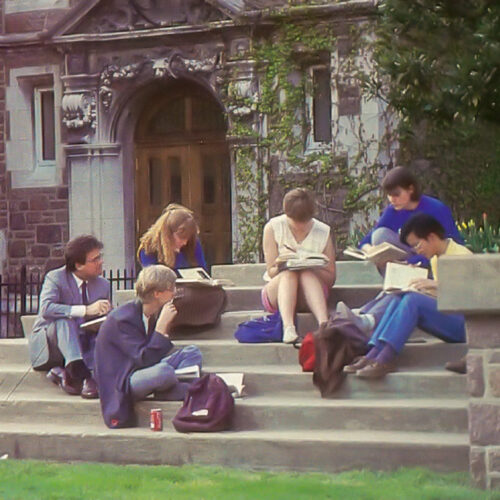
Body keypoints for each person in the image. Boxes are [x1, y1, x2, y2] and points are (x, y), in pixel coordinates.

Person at [344, 213, 472, 379]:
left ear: (431, 237)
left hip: (466, 325)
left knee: (413, 300)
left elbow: (472, 295)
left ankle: (385, 358)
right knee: (400, 296)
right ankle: (373, 354)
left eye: (418, 245)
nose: (417, 251)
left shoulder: (461, 256)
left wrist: (436, 285)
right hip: (448, 314)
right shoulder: (436, 258)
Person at [95, 265, 203, 429]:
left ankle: (168, 390)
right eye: (171, 288)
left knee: (192, 353)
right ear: (157, 293)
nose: (174, 292)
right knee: (164, 371)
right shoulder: (123, 319)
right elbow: (145, 359)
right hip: (125, 380)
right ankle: (180, 388)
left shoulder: (149, 313)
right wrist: (161, 328)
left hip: (145, 369)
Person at [29, 235, 111, 399]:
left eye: (100, 257)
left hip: (83, 342)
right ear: (78, 265)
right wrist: (85, 310)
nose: (100, 262)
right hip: (51, 344)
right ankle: (79, 374)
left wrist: (105, 316)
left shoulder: (103, 284)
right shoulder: (56, 278)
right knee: (64, 320)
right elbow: (46, 309)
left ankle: (70, 373)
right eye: (94, 259)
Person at [262, 188, 336, 344]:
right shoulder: (273, 227)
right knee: (290, 274)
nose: (300, 227)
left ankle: (324, 324)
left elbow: (331, 277)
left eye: (305, 223)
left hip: (311, 290)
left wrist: (313, 266)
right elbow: (271, 271)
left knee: (306, 274)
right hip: (279, 289)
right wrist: (283, 265)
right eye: (294, 223)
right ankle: (288, 327)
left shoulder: (323, 231)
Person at [359, 166, 463, 269]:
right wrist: (371, 252)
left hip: (432, 261)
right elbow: (367, 241)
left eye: (396, 194)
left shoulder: (436, 208)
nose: (392, 199)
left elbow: (453, 243)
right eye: (389, 195)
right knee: (380, 235)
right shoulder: (392, 211)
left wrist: (412, 261)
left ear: (410, 189)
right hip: (404, 263)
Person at [138, 203, 207, 272]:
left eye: (188, 238)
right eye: (181, 238)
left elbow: (202, 271)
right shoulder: (148, 249)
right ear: (169, 234)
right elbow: (151, 278)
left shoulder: (193, 243)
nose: (185, 242)